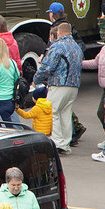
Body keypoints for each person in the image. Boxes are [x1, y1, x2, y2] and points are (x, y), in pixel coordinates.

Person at [33, 23, 83, 154]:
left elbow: (47, 66)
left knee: (52, 112)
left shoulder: (58, 46)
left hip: (59, 84)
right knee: (65, 113)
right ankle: (65, 143)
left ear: (59, 33)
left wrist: (36, 80)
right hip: (74, 85)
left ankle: (57, 143)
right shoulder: (77, 47)